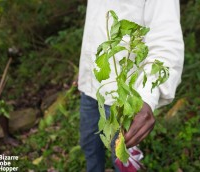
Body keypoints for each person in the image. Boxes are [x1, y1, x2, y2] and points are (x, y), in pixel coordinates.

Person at [78, 0, 184, 171]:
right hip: (89, 91)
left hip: (125, 99)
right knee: (90, 147)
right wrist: (85, 69)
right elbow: (95, 28)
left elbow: (166, 43)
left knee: (123, 161)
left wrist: (147, 97)